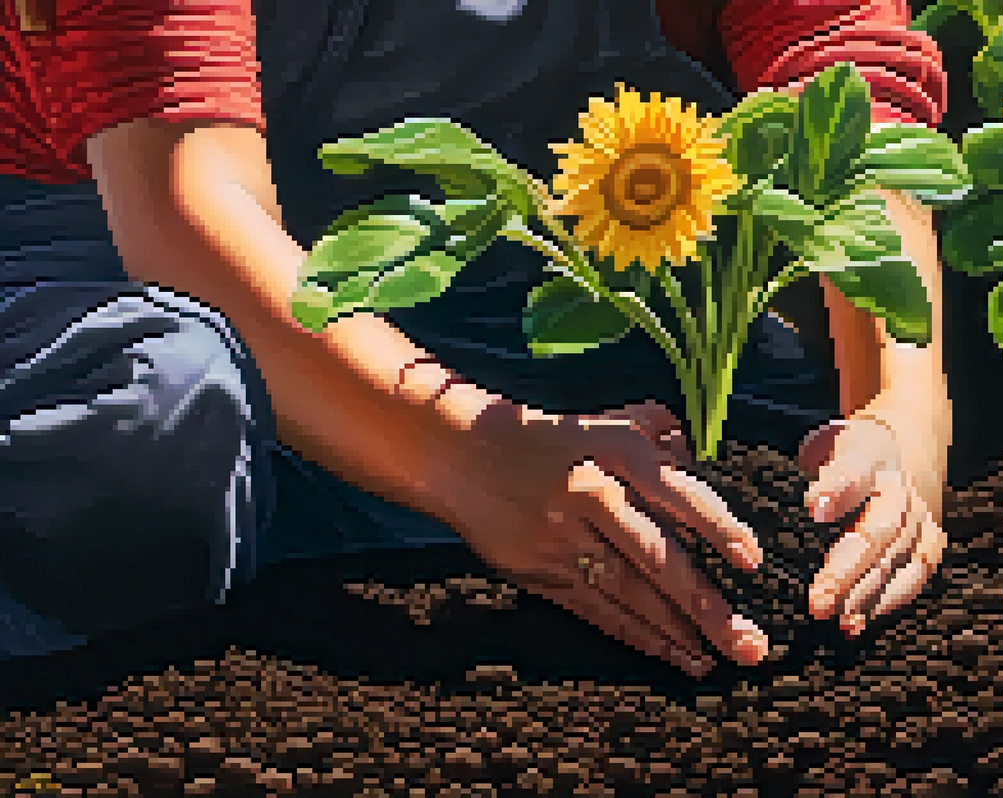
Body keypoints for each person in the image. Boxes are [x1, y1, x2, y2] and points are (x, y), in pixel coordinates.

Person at [0, 0, 952, 679]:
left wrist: (900, 415)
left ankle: (318, 499)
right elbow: (186, 207)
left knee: (746, 412)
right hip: (110, 243)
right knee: (150, 427)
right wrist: (471, 458)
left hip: (467, 263)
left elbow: (841, 83)